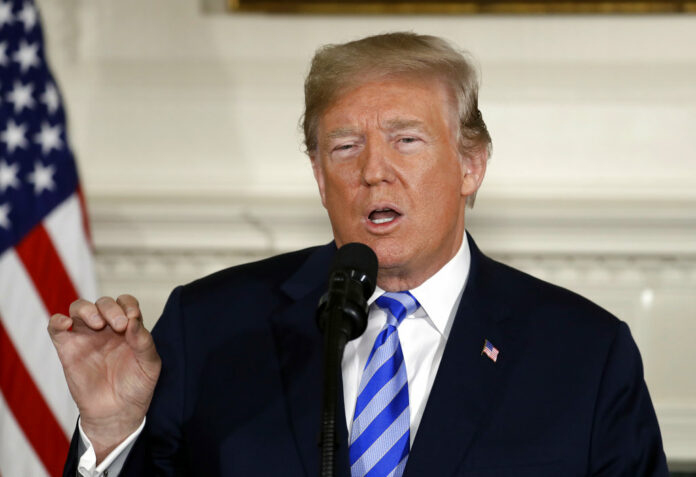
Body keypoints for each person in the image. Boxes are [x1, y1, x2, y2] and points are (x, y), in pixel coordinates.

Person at [49, 32, 669, 477]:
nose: (375, 171)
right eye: (345, 147)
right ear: (320, 178)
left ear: (471, 166)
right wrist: (112, 434)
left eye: (406, 140)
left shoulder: (584, 355)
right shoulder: (210, 325)